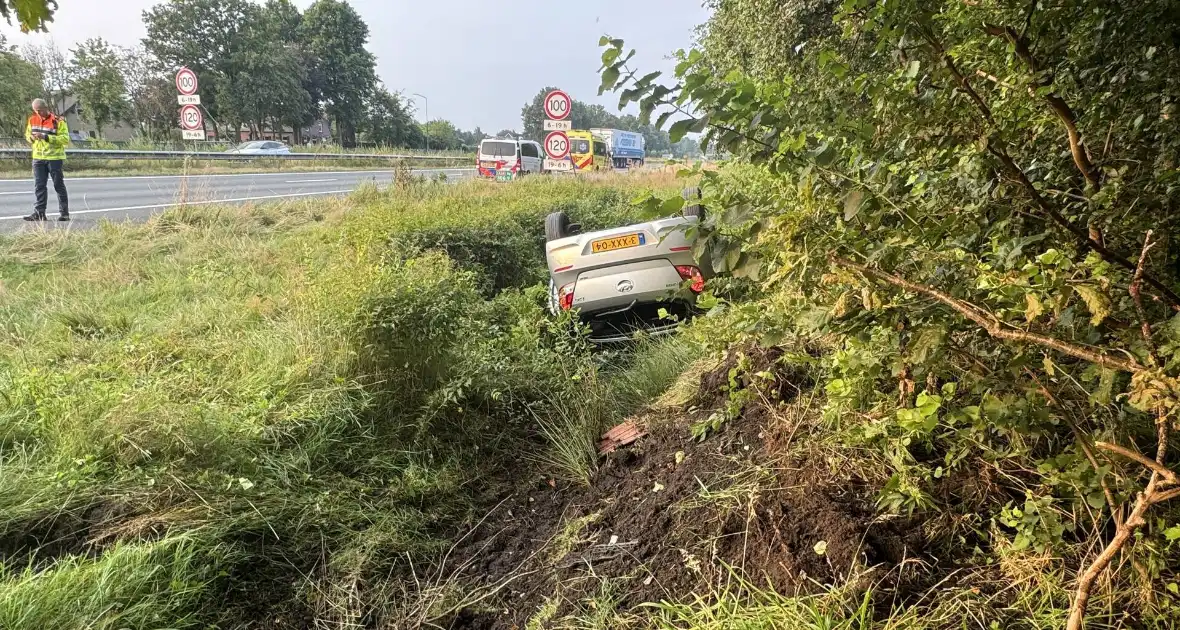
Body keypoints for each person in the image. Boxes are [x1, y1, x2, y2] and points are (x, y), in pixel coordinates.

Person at [24, 98, 70, 222]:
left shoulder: (58, 121)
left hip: (54, 158)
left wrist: (46, 137)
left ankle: (64, 213)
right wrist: (31, 138)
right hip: (38, 158)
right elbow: (27, 134)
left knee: (58, 185)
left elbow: (65, 139)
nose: (38, 113)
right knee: (39, 186)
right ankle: (39, 213)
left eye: (40, 110)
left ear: (45, 108)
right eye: (35, 111)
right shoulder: (32, 120)